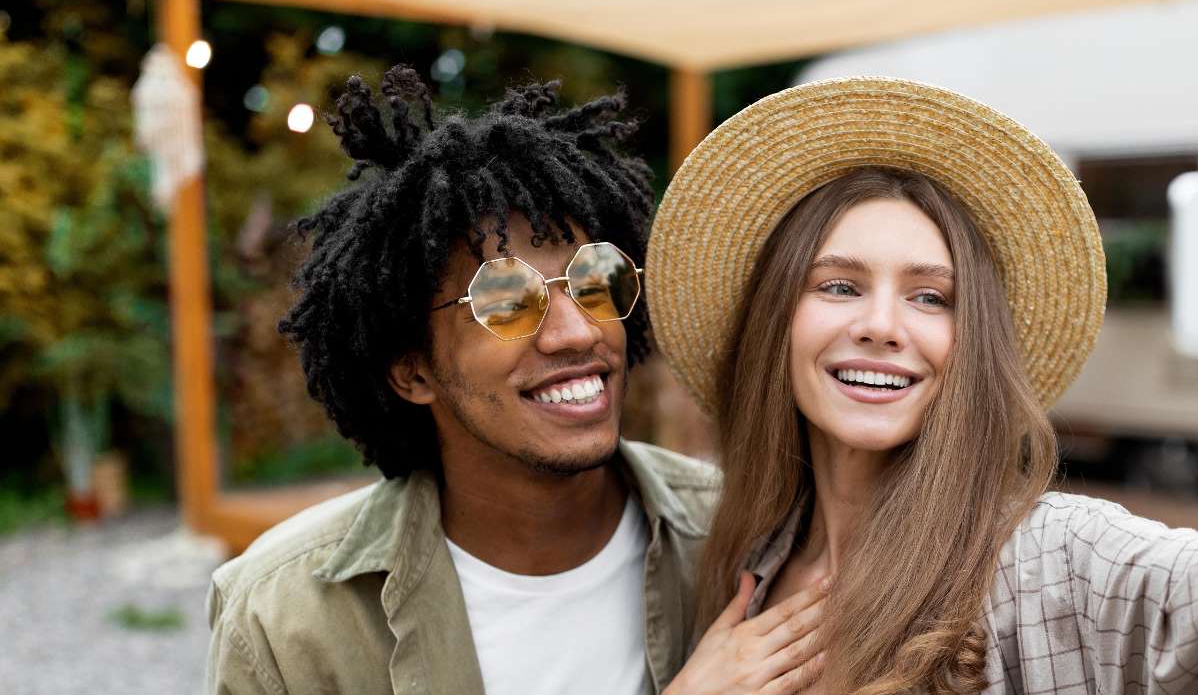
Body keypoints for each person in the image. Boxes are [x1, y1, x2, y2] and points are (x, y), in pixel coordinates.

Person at [647, 77, 1198, 694]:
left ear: (972, 344)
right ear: (779, 322)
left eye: (931, 296)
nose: (884, 323)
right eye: (839, 284)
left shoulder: (1047, 563)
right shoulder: (744, 562)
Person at [203, 66, 808, 695]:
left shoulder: (744, 535)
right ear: (412, 371)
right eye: (505, 298)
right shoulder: (283, 617)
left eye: (594, 278)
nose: (576, 332)